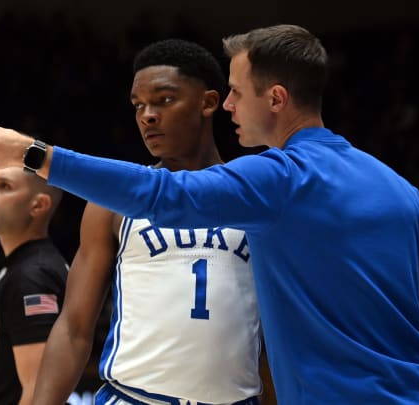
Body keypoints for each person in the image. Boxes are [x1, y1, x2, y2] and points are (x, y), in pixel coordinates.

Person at [0, 24, 419, 403]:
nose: (230, 108)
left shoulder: (270, 181)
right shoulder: (399, 187)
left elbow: (163, 196)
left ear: (271, 98)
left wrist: (31, 152)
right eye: (137, 104)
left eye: (236, 94)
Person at [34, 39, 262, 405]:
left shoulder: (257, 195)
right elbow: (75, 328)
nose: (147, 116)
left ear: (208, 102)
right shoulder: (111, 202)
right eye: (138, 105)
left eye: (164, 100)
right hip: (132, 397)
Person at [0, 166, 68, 405]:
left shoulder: (33, 276)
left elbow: (39, 390)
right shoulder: (27, 268)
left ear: (38, 205)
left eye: (4, 186)